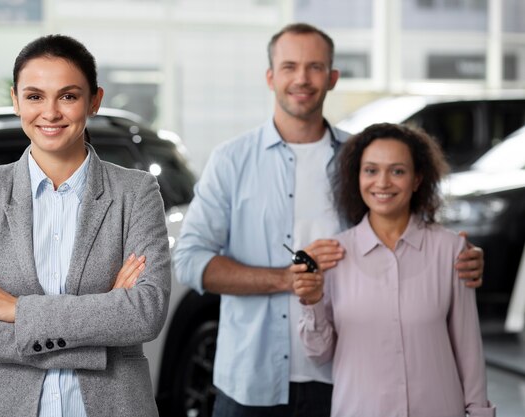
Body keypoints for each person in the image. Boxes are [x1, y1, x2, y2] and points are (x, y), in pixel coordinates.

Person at [173, 23, 485, 417]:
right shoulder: (231, 161)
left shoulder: (362, 162)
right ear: (271, 77)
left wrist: (461, 259)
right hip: (249, 380)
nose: (302, 78)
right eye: (289, 66)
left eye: (315, 67)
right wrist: (285, 279)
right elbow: (189, 260)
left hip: (344, 380)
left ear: (333, 77)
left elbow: (409, 242)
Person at [0, 35, 170, 417]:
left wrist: (16, 310)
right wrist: (103, 324)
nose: (50, 112)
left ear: (94, 100)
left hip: (111, 405)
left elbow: (145, 313)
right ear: (15, 100)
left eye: (68, 96)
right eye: (34, 96)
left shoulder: (136, 191)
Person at [295, 123, 495, 417]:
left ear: (417, 179)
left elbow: (469, 350)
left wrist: (479, 413)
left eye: (397, 171)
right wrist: (312, 301)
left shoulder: (451, 251)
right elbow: (318, 354)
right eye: (371, 170)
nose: (383, 182)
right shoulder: (333, 255)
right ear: (357, 177)